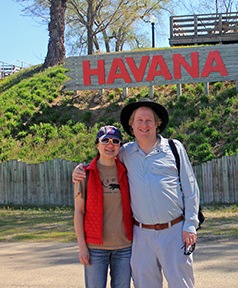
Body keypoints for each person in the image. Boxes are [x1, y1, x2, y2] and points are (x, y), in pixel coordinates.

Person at [73, 98, 200, 288]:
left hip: (174, 230)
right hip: (141, 234)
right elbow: (104, 157)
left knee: (181, 284)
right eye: (139, 120)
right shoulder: (125, 153)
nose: (144, 125)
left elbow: (191, 189)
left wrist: (190, 225)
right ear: (131, 126)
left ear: (157, 124)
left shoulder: (174, 148)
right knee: (144, 284)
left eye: (149, 120)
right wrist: (80, 169)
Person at [73, 125, 133, 288]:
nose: (110, 145)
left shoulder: (128, 171)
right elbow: (79, 212)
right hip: (95, 248)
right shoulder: (84, 173)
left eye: (115, 141)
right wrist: (82, 247)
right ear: (97, 144)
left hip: (124, 247)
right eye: (105, 140)